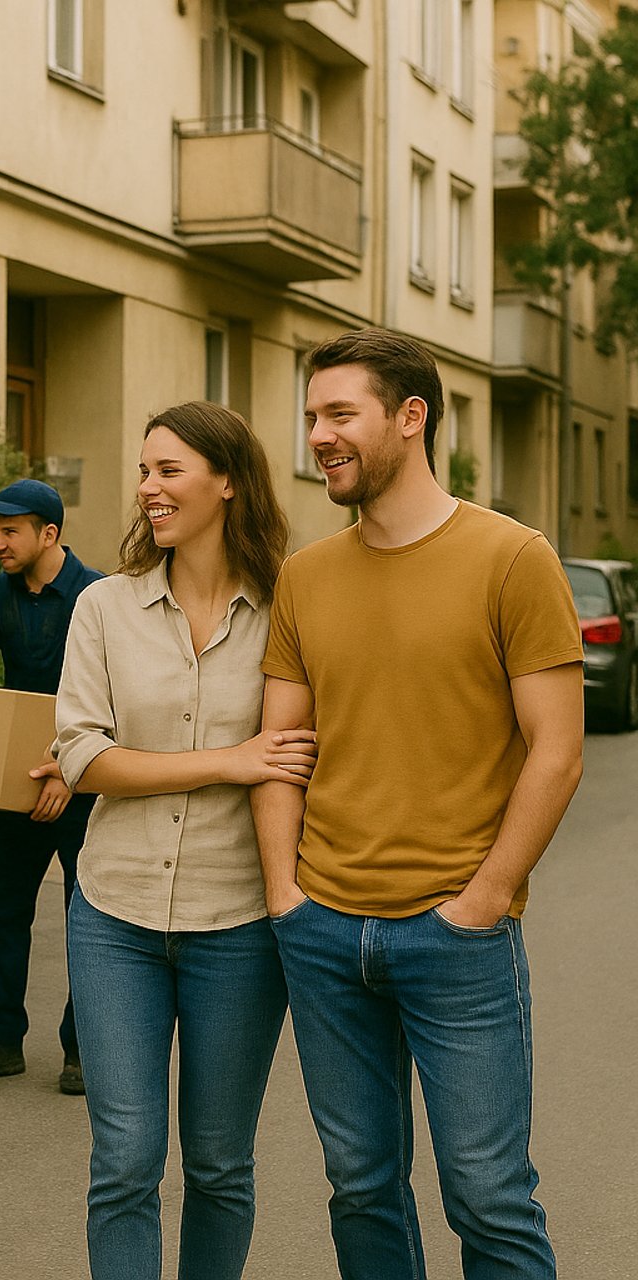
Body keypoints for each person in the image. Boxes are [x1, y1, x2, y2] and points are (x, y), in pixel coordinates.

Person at [255, 329, 584, 1279]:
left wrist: (482, 901)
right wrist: (286, 895)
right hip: (321, 932)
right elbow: (284, 753)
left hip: (457, 940)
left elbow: (556, 755)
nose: (318, 435)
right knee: (360, 1184)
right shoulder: (306, 577)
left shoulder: (512, 559)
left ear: (411, 417)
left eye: (339, 414)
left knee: (487, 1195)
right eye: (312, 416)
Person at [53, 402, 314, 1280]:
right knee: (124, 1161)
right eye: (143, 472)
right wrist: (229, 760)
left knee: (218, 1165)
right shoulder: (103, 607)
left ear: (228, 480)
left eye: (168, 470)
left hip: (238, 922)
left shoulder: (291, 609)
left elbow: (307, 755)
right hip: (113, 914)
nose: (148, 489)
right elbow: (83, 755)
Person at [0, 478, 102, 1095]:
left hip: (86, 780)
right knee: (2, 911)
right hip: (17, 780)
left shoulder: (96, 596)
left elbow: (109, 693)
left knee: (85, 919)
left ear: (50, 533)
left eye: (9, 530)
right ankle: (0, 1039)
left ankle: (83, 1048)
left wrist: (68, 765)